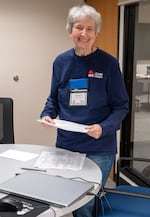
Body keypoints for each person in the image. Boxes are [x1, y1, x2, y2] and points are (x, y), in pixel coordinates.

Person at [40, 4, 129, 217]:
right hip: (67, 146)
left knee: (88, 202)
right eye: (79, 27)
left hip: (98, 147)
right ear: (70, 31)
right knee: (69, 197)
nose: (84, 33)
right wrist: (47, 114)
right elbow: (53, 98)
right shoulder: (61, 62)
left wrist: (104, 127)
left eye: (90, 29)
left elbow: (121, 105)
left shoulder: (108, 64)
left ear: (96, 32)